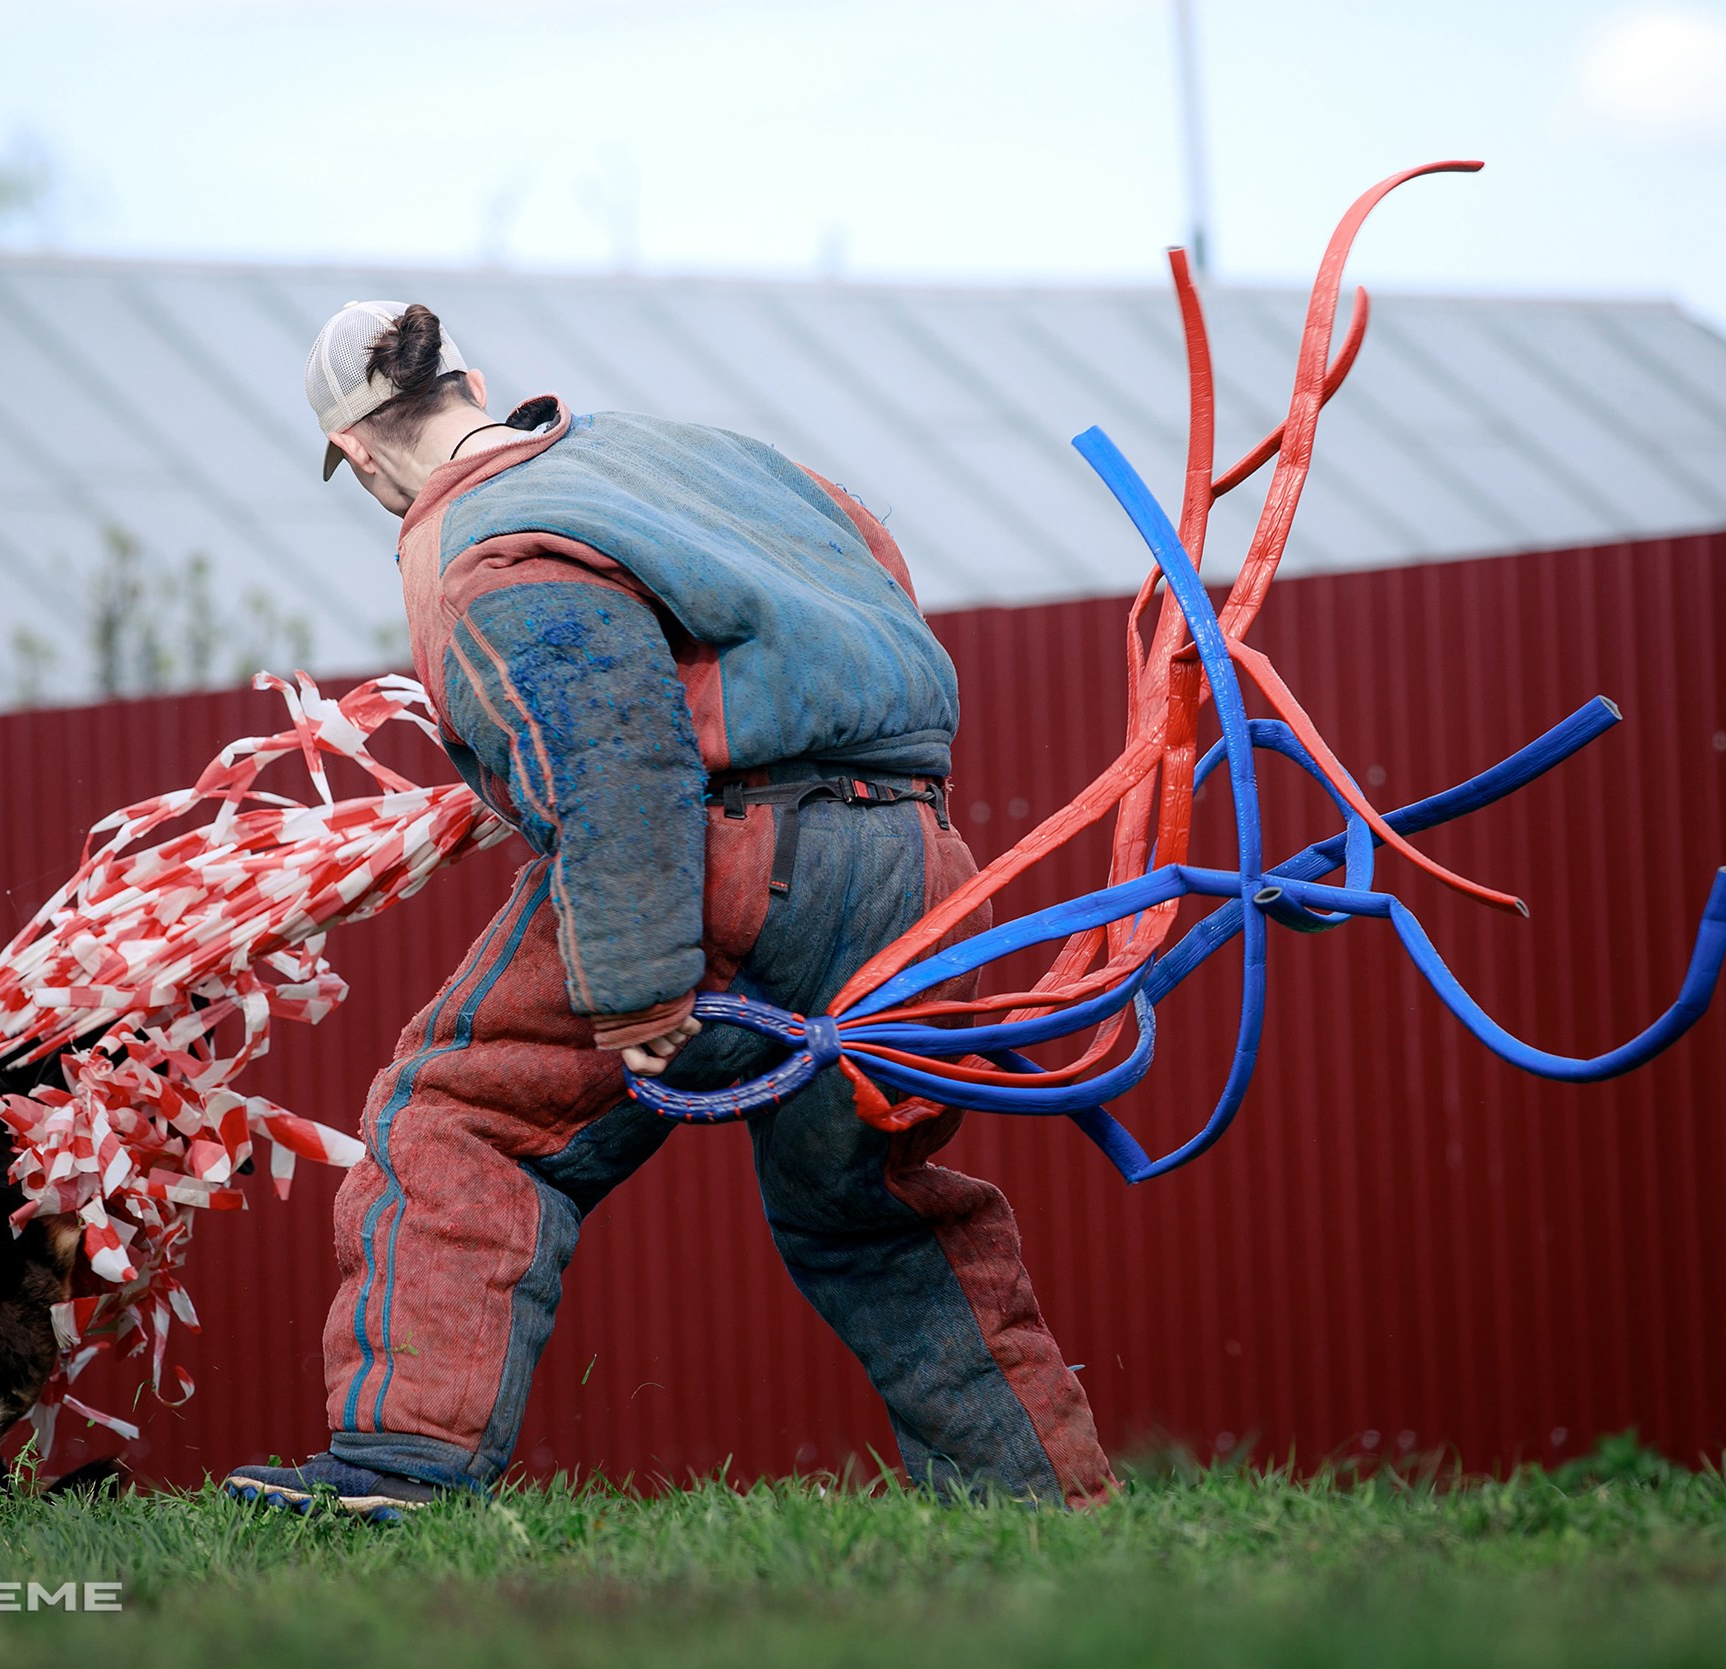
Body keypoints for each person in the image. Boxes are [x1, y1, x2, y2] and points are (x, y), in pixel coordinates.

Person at [219, 301, 1111, 1515]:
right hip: (914, 859)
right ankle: (1042, 1498)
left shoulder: (494, 548)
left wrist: (637, 982)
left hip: (723, 861)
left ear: (362, 456)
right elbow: (868, 565)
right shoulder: (693, 457)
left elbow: (615, 755)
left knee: (457, 1119)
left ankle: (403, 1466)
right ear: (475, 385)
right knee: (869, 1204)